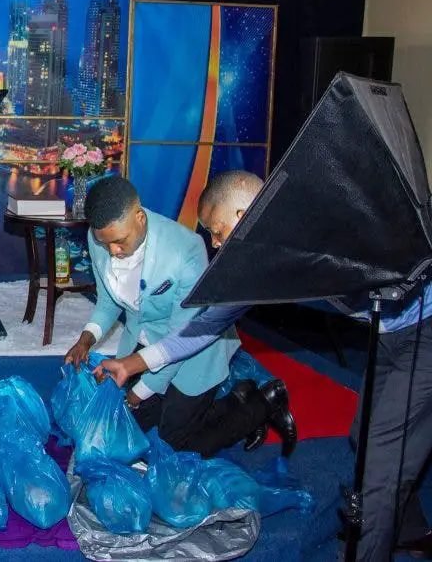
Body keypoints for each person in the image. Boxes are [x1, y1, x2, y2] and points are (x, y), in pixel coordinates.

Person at [95, 170, 431, 561]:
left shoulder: (318, 226)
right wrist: (133, 363)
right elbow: (204, 327)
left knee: (380, 464)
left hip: (424, 331)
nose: (215, 244)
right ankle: (411, 529)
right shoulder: (256, 262)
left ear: (245, 214)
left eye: (217, 231)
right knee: (365, 435)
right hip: (391, 334)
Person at [63, 176, 294, 458]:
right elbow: (109, 301)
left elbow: (187, 336)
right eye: (105, 242)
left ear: (140, 217)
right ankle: (233, 396)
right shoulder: (100, 236)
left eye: (120, 241)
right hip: (150, 343)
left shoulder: (186, 249)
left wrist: (142, 390)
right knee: (128, 427)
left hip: (196, 352)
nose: (112, 250)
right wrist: (87, 338)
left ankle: (258, 406)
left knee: (173, 446)